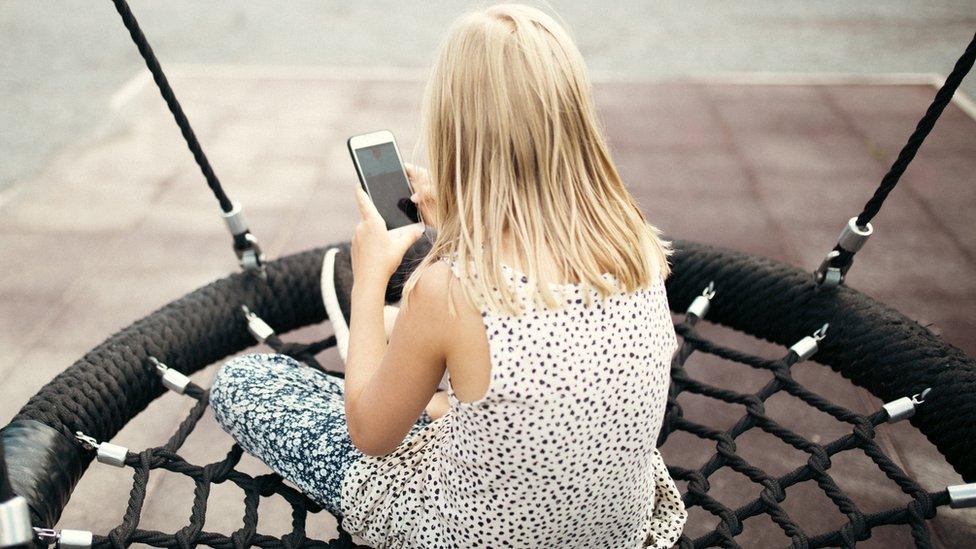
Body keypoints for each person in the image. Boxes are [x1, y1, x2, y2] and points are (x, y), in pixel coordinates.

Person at [209, 4, 687, 547]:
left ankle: (393, 356)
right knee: (455, 367)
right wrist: (461, 221)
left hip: (465, 533)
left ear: (454, 132)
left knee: (247, 383)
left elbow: (370, 437)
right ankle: (430, 387)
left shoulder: (452, 293)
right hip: (614, 528)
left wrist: (369, 280)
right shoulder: (635, 243)